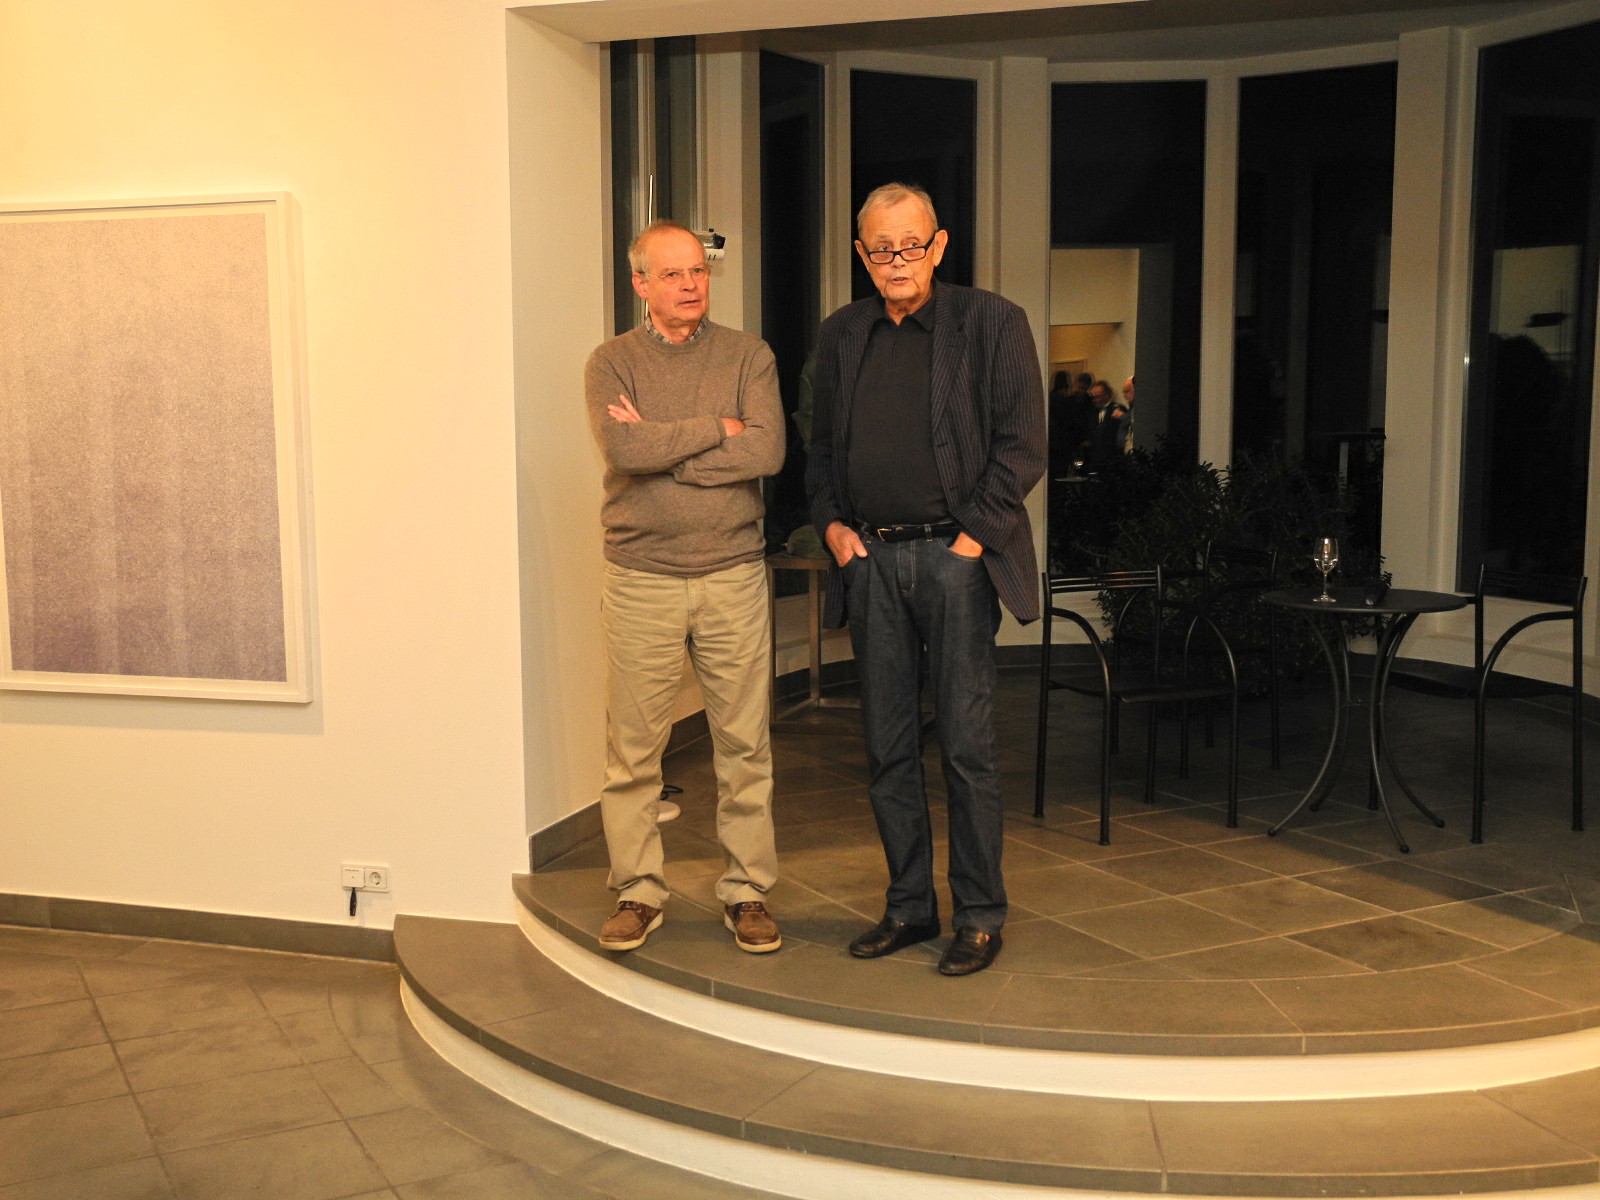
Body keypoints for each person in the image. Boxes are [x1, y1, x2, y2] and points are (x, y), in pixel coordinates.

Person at [806, 183, 1046, 977]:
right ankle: (909, 906)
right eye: (881, 248)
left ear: (939, 246)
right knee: (887, 749)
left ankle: (979, 915)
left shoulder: (992, 323)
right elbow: (821, 452)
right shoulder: (842, 334)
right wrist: (834, 529)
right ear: (862, 254)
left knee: (968, 749)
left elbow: (1022, 445)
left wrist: (970, 543)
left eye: (911, 245)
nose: (897, 261)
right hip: (870, 562)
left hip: (956, 563)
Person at [584, 219, 786, 955]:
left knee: (744, 744)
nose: (691, 284)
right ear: (641, 283)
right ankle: (637, 891)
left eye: (698, 270)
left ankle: (748, 891)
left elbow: (767, 450)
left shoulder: (749, 355)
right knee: (634, 751)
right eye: (672, 274)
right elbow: (622, 448)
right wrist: (716, 427)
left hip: (733, 572)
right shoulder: (612, 363)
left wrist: (665, 451)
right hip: (641, 577)